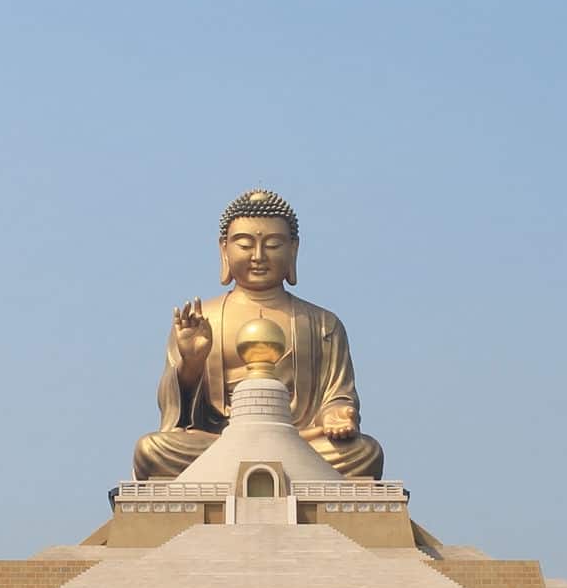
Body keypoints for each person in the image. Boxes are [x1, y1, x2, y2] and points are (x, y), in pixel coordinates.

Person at [133, 189, 383, 479]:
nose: (258, 256)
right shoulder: (202, 319)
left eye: (274, 245)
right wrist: (192, 362)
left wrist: (336, 414)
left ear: (294, 249)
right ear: (224, 249)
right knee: (152, 450)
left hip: (301, 442)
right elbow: (178, 413)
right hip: (217, 443)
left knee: (365, 453)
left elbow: (338, 395)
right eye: (245, 244)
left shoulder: (323, 324)